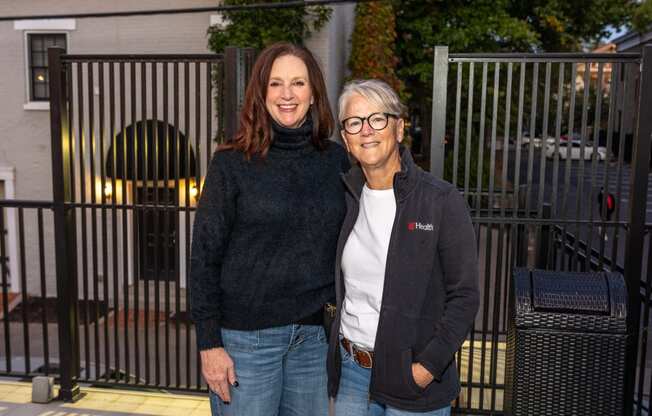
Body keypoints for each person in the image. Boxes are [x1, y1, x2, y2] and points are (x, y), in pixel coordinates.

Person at [190, 42, 349, 416]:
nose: (287, 94)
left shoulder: (337, 161)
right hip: (246, 342)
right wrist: (209, 344)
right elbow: (204, 258)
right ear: (261, 95)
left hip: (313, 339)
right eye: (275, 84)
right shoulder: (230, 163)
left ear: (314, 94)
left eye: (298, 82)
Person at [326, 79, 479, 416]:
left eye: (377, 118)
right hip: (352, 373)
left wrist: (426, 368)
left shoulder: (440, 200)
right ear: (346, 138)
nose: (366, 130)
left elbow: (465, 296)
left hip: (413, 382)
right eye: (354, 122)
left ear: (398, 128)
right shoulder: (345, 198)